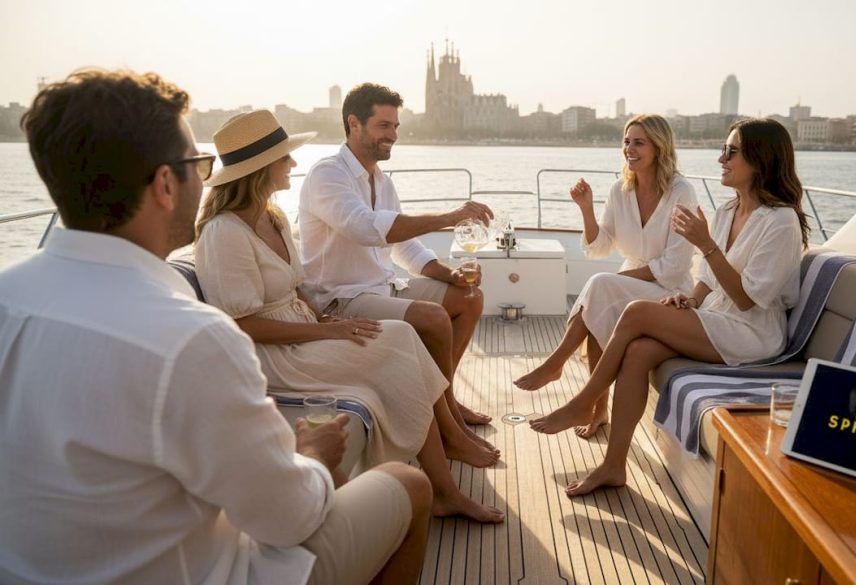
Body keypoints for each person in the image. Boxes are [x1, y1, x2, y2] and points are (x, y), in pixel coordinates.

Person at [0, 69, 433, 585]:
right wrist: (313, 457)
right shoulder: (193, 339)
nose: (206, 178)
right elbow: (287, 517)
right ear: (165, 184)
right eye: (200, 163)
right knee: (408, 484)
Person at [194, 110, 503, 523]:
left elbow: (298, 286)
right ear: (262, 167)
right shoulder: (224, 231)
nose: (293, 164)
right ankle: (446, 477)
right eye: (285, 157)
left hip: (308, 326)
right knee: (401, 344)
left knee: (403, 341)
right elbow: (242, 324)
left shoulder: (272, 216)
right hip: (275, 355)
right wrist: (333, 327)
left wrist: (320, 320)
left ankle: (445, 478)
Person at [529, 118, 809, 497]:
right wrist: (690, 299)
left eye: (731, 151)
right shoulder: (727, 211)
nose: (721, 158)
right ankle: (613, 466)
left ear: (761, 159)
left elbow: (746, 299)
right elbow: (708, 278)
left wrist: (706, 245)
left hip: (753, 333)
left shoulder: (781, 222)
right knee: (639, 351)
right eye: (723, 150)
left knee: (637, 313)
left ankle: (583, 401)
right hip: (716, 316)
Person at [298, 82, 498, 460]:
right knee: (433, 318)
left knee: (468, 298)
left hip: (382, 286)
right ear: (353, 124)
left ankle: (448, 402)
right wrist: (449, 216)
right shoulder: (328, 175)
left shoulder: (382, 180)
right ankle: (448, 424)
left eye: (395, 127)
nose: (393, 135)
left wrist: (448, 274)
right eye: (383, 126)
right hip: (341, 298)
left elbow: (403, 245)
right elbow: (366, 228)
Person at [514, 114, 698, 438]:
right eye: (627, 141)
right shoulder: (620, 190)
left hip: (671, 291)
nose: (629, 148)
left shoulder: (681, 192)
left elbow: (675, 268)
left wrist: (619, 282)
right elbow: (599, 247)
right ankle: (598, 410)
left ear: (659, 146)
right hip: (631, 281)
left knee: (603, 288)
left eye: (639, 142)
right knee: (603, 298)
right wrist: (586, 209)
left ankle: (557, 364)